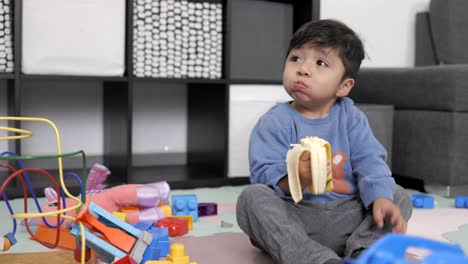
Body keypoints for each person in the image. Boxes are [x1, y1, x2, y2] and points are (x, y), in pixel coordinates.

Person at [236, 19, 412, 264]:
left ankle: (366, 250)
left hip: (349, 218)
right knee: (251, 199)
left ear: (344, 86)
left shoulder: (351, 118)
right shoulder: (273, 122)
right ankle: (316, 259)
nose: (303, 69)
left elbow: (371, 161)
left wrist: (381, 199)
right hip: (297, 219)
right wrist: (295, 178)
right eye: (296, 58)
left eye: (320, 63)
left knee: (397, 195)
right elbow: (263, 175)